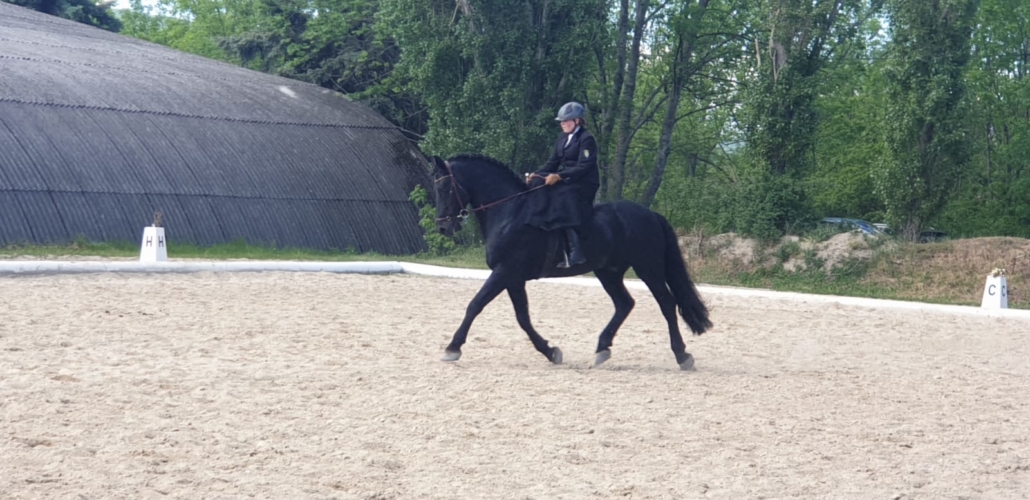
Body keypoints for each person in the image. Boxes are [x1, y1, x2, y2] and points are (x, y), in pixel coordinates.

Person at [526, 101, 600, 268]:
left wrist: (559, 176)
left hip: (584, 182)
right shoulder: (562, 138)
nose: (562, 124)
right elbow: (552, 162)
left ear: (577, 121)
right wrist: (537, 174)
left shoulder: (587, 139)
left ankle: (576, 251)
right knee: (537, 185)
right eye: (561, 121)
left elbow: (584, 166)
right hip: (567, 179)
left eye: (566, 121)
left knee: (560, 197)